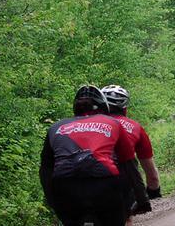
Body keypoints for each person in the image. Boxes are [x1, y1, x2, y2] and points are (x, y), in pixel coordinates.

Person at [39, 85, 151, 226]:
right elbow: (128, 166)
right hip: (104, 183)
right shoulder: (113, 123)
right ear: (105, 108)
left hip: (66, 185)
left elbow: (45, 171)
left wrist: (53, 202)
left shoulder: (55, 127)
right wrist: (142, 200)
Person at [101, 84, 161, 225]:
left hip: (76, 180)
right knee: (125, 216)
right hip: (119, 182)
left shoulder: (84, 124)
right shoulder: (135, 127)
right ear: (125, 108)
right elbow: (150, 172)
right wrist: (153, 189)